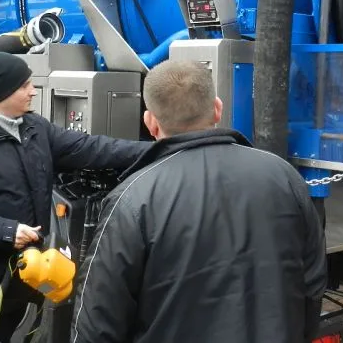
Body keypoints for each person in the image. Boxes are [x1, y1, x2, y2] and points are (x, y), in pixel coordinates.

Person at [71, 59, 328, 343]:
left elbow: (96, 323)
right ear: (217, 108)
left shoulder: (132, 200)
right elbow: (313, 284)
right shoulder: (285, 176)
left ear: (150, 122)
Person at [0, 51, 153, 343]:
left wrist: (157, 150)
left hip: (30, 278)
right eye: (24, 85)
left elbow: (92, 148)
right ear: (2, 91)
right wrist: (6, 231)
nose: (33, 91)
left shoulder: (35, 128)